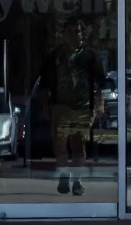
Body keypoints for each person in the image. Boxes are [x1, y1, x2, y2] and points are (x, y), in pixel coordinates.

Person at [45, 19, 106, 195]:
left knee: (79, 146)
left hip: (82, 107)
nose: (73, 35)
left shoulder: (90, 56)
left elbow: (100, 81)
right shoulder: (55, 55)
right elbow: (46, 83)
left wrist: (99, 103)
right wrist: (45, 105)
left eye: (77, 31)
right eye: (70, 31)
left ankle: (77, 181)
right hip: (61, 107)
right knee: (60, 144)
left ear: (82, 34)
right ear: (64, 34)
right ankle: (64, 176)